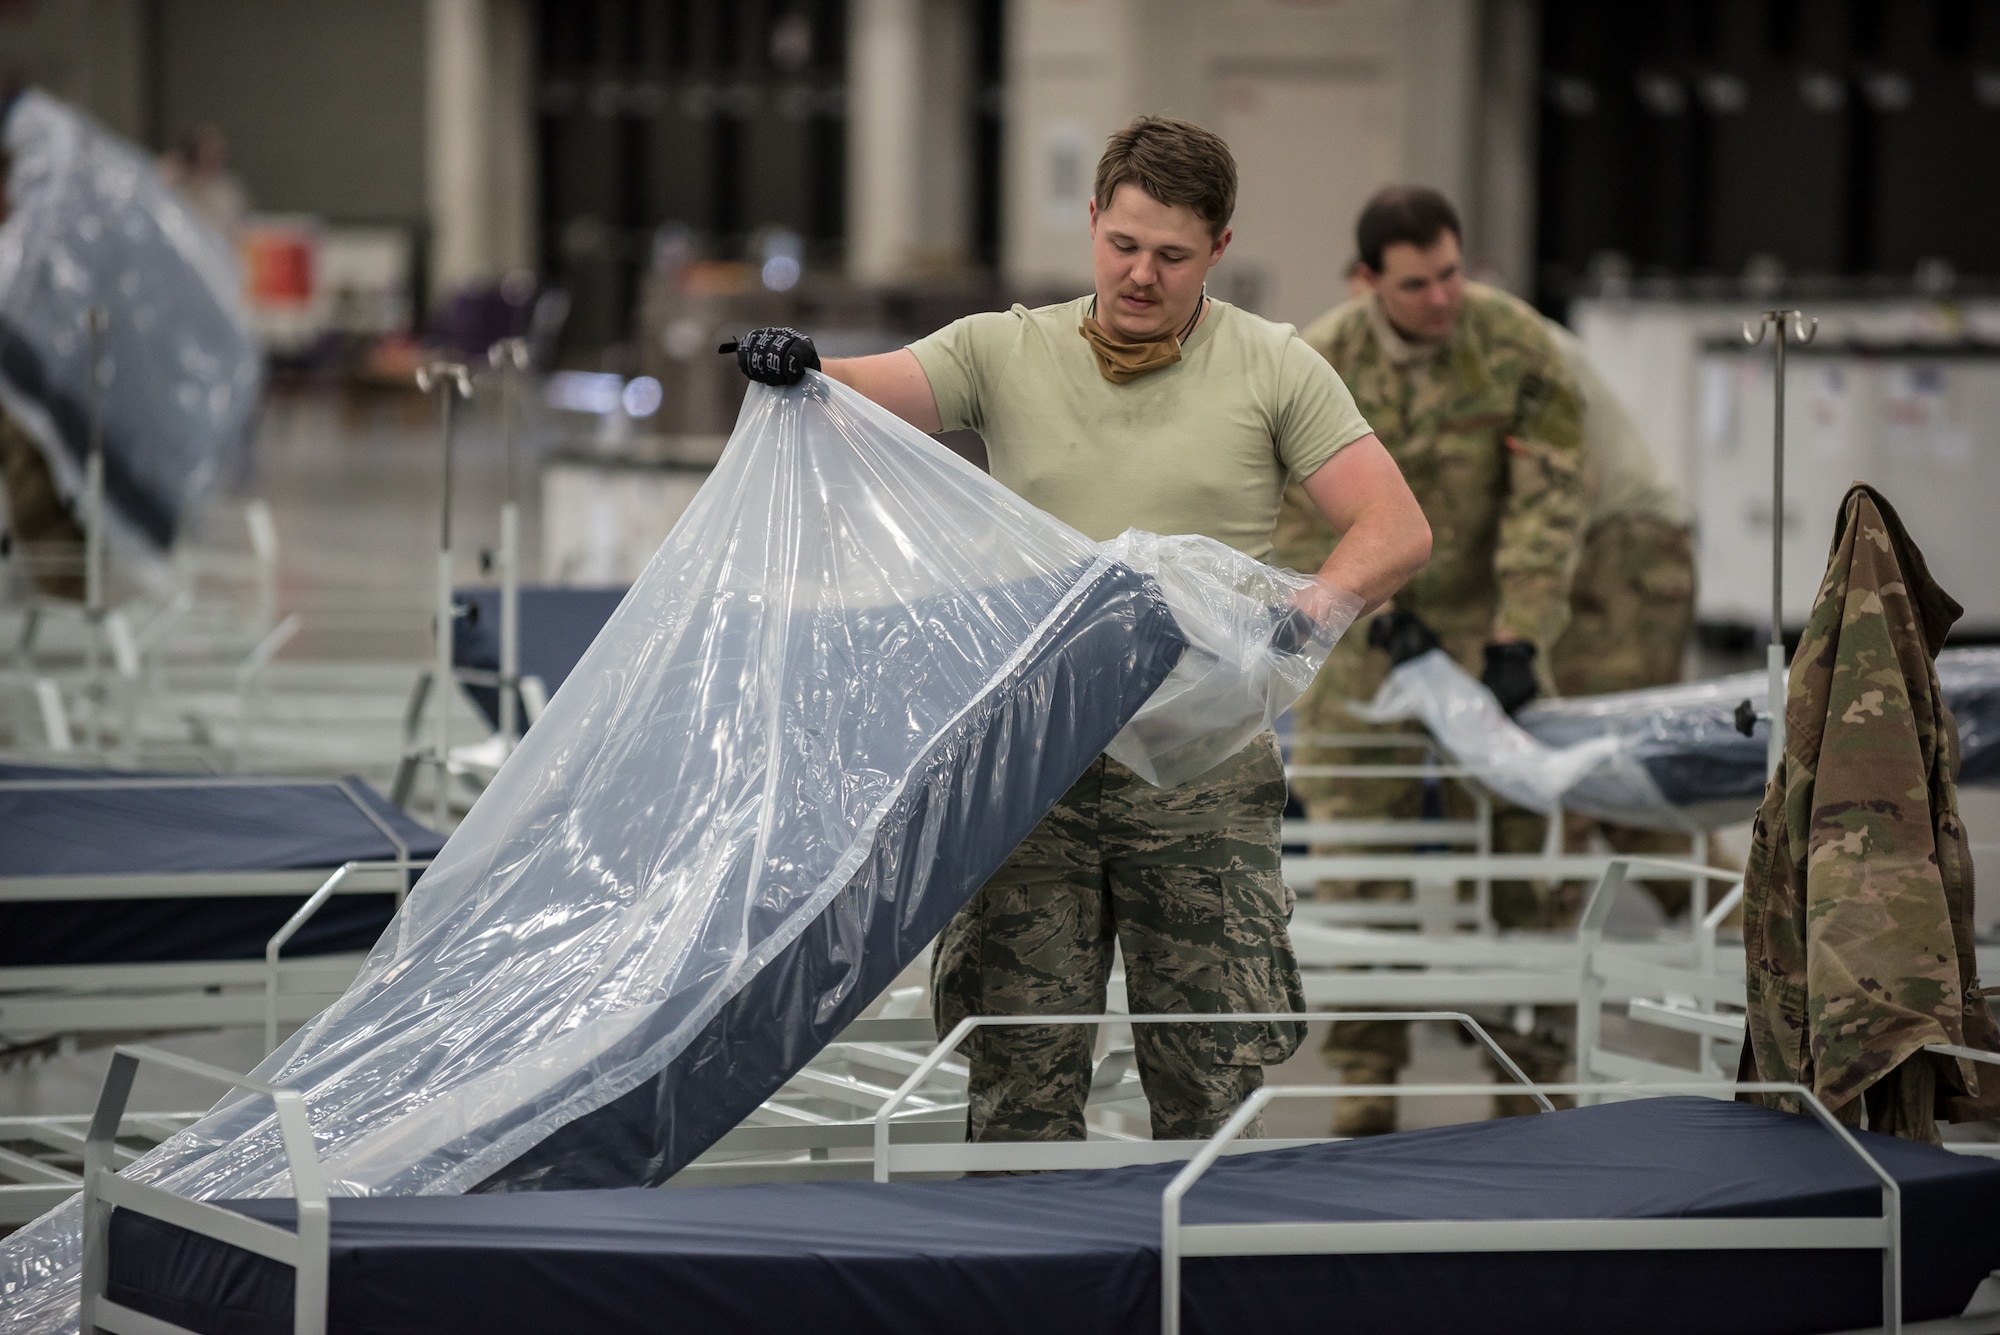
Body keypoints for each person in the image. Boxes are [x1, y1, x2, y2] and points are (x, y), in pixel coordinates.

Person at [730, 116, 1430, 1145]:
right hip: (1031, 772)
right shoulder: (1001, 350)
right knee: (1016, 1081)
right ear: (1094, 218)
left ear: (1218, 251)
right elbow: (861, 394)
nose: (1139, 274)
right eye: (1123, 244)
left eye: (1172, 256)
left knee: (1209, 1089)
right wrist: (797, 365)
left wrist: (1308, 610)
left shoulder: (1272, 366)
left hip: (1198, 776)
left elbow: (1394, 526)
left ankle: (1207, 1300)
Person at [1272, 185, 1586, 1135]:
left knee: (1527, 856)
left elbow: (1551, 498)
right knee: (1364, 871)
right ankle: (1368, 1093)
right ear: (1368, 280)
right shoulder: (1318, 361)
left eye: (1451, 273)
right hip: (1366, 643)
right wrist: (1376, 612)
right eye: (1416, 284)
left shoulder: (1520, 345)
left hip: (1494, 631)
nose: (1443, 298)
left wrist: (1520, 634)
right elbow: (1296, 517)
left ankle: (1535, 1088)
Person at [1541, 319, 1700, 916]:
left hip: (1623, 555)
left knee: (1593, 757)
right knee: (1606, 769)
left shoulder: (1516, 347)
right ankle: (1748, 931)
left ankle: (1753, 935)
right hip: (1604, 554)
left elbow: (1570, 483)